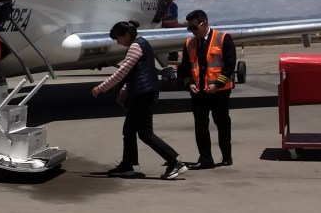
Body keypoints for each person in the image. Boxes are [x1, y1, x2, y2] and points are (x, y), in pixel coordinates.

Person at [92, 20, 188, 180]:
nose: (118, 42)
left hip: (144, 95)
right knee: (129, 131)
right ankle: (128, 165)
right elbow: (134, 74)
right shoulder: (141, 43)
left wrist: (101, 88)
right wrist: (124, 92)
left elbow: (122, 72)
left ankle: (175, 162)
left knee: (145, 133)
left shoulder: (135, 47)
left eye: (118, 38)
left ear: (126, 35)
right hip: (143, 93)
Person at [177, 9, 235, 169]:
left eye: (194, 27)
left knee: (222, 123)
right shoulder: (189, 43)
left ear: (205, 23)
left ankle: (226, 156)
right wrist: (189, 83)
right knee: (200, 125)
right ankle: (205, 159)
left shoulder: (223, 39)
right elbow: (185, 68)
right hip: (198, 92)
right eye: (189, 28)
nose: (192, 31)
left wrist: (217, 85)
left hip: (219, 92)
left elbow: (229, 67)